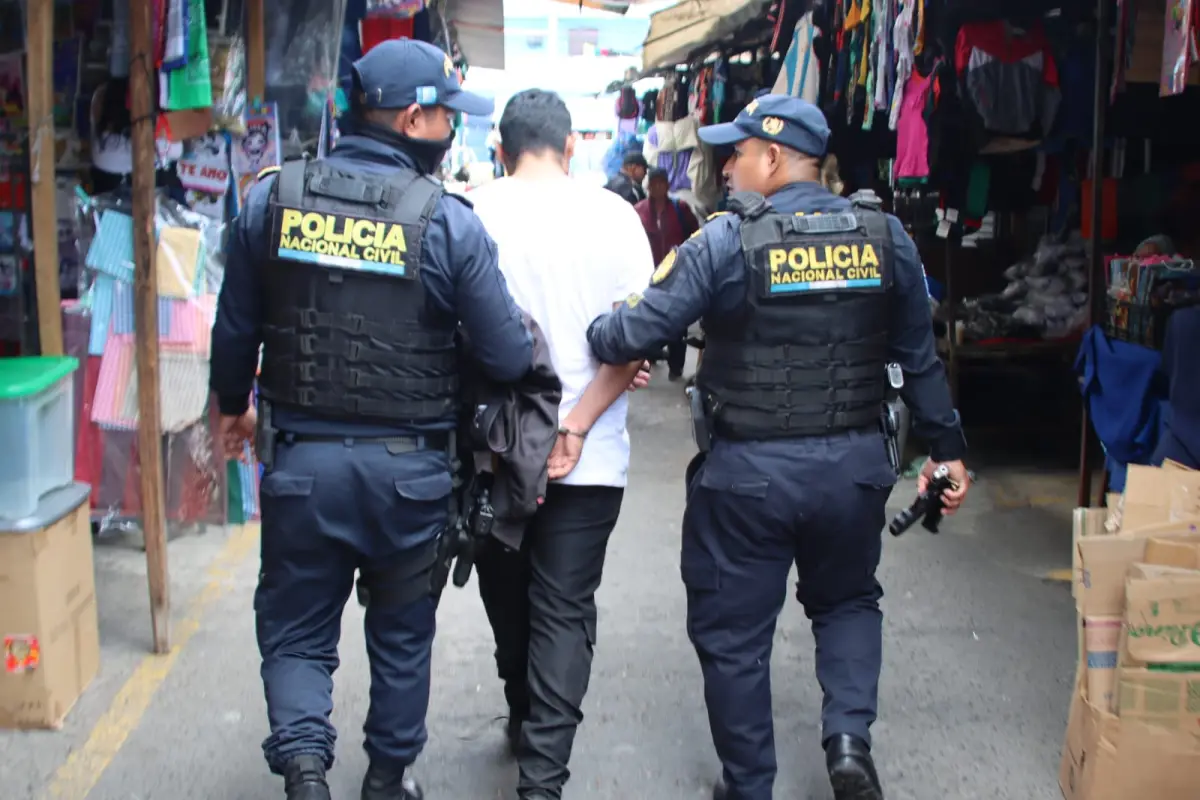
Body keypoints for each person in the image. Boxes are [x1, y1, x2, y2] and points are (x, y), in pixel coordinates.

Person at [585, 94, 971, 800]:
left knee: (733, 633)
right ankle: (848, 742)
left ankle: (749, 784)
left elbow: (632, 334)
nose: (726, 166)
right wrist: (947, 453)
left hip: (748, 477)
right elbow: (920, 360)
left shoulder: (725, 242)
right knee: (848, 601)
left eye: (737, 153)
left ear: (774, 157)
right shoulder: (886, 239)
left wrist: (603, 326)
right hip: (854, 470)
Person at [209, 39, 533, 800]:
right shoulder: (449, 223)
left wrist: (230, 410)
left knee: (295, 628)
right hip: (410, 475)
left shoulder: (270, 200)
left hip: (300, 469)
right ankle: (387, 781)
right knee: (400, 634)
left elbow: (234, 330)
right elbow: (510, 356)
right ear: (414, 117)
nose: (452, 130)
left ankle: (304, 769)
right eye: (446, 115)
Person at [467, 88, 653, 800]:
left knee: (507, 597)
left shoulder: (472, 212)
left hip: (493, 455)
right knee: (565, 608)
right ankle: (542, 780)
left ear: (500, 147)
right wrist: (577, 423)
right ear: (571, 146)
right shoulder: (615, 216)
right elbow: (638, 338)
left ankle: (524, 709)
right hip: (593, 454)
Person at [635, 167, 700, 380]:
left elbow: (695, 236)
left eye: (662, 182)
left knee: (678, 321)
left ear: (668, 185)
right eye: (654, 183)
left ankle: (676, 366)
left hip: (676, 275)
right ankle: (649, 358)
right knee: (647, 319)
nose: (658, 187)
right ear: (649, 186)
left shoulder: (680, 208)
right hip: (648, 275)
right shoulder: (639, 211)